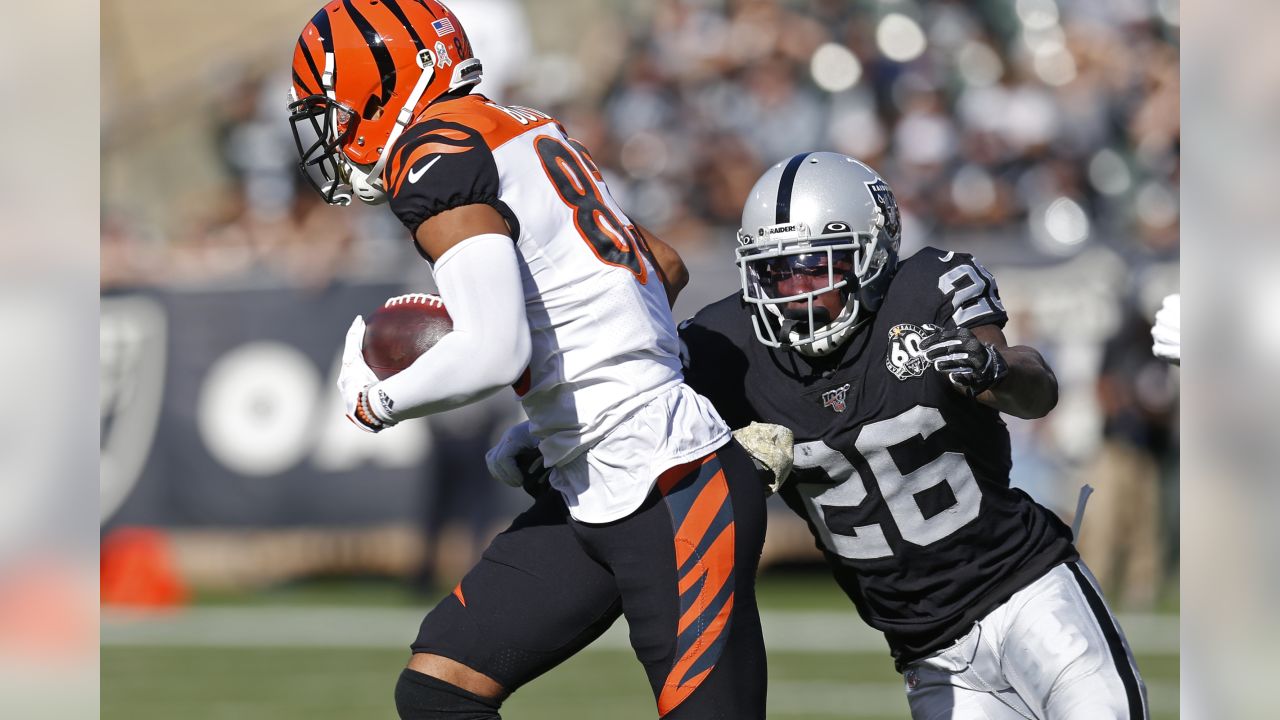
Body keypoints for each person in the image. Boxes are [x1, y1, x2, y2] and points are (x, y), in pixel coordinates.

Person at [285, 2, 768, 718]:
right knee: (439, 689)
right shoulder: (519, 127)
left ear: (385, 84)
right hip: (599, 479)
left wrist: (375, 401)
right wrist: (556, 414)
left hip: (672, 482)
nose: (336, 131)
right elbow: (661, 266)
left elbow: (494, 349)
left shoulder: (435, 155)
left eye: (338, 108)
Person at [671, 153, 1149, 718]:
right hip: (929, 652)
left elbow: (1035, 391)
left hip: (1028, 594)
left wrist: (993, 371)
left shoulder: (924, 290)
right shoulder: (724, 349)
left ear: (871, 256)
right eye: (776, 272)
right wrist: (717, 463)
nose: (792, 294)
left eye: (815, 268)